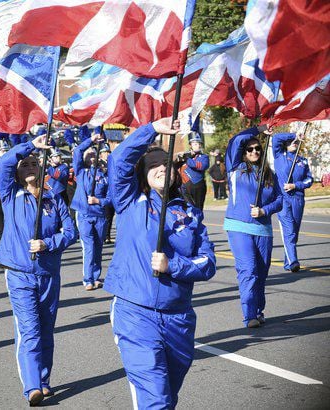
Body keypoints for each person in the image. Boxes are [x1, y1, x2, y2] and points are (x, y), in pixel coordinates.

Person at [105, 118, 216, 409]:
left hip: (179, 316)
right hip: (135, 312)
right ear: (143, 173)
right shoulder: (131, 201)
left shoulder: (190, 213)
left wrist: (174, 265)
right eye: (154, 164)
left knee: (168, 394)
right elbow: (119, 160)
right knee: (156, 399)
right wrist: (153, 129)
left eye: (167, 164)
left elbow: (207, 262)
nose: (162, 168)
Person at [0, 133, 77, 406]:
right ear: (18, 174)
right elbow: (5, 164)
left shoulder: (54, 199)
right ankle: (32, 387)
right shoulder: (10, 195)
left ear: (41, 170)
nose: (29, 167)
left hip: (48, 274)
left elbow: (71, 232)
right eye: (25, 165)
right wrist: (31, 146)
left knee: (45, 329)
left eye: (34, 164)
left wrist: (48, 243)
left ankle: (43, 379)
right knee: (29, 330)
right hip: (19, 273)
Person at [224, 125, 282, 328]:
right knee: (248, 270)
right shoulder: (234, 167)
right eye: (250, 149)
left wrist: (264, 210)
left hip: (263, 230)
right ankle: (249, 315)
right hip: (239, 227)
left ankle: (258, 310)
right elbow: (236, 140)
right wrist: (259, 129)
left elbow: (280, 199)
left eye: (257, 148)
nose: (254, 152)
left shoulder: (269, 174)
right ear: (244, 152)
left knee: (261, 272)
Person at [71, 132, 111, 291]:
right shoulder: (80, 172)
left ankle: (95, 277)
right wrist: (91, 141)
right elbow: (78, 151)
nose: (92, 157)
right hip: (84, 214)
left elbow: (111, 197)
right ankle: (87, 279)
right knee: (89, 246)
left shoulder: (104, 175)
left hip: (99, 215)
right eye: (89, 155)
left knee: (98, 246)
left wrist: (99, 201)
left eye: (94, 155)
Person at [272, 132, 312, 272]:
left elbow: (309, 180)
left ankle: (287, 262)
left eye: (296, 141)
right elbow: (275, 138)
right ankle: (294, 261)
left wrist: (296, 186)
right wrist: (295, 134)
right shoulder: (279, 156)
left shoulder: (303, 161)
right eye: (291, 141)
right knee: (288, 230)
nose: (294, 143)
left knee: (294, 232)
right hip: (283, 199)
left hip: (298, 199)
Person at [178, 132, 209, 209]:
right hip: (184, 186)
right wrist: (179, 158)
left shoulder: (204, 157)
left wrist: (187, 158)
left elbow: (198, 166)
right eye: (195, 144)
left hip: (197, 186)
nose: (198, 145)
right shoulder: (185, 156)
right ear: (190, 145)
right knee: (187, 209)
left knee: (197, 209)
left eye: (199, 144)